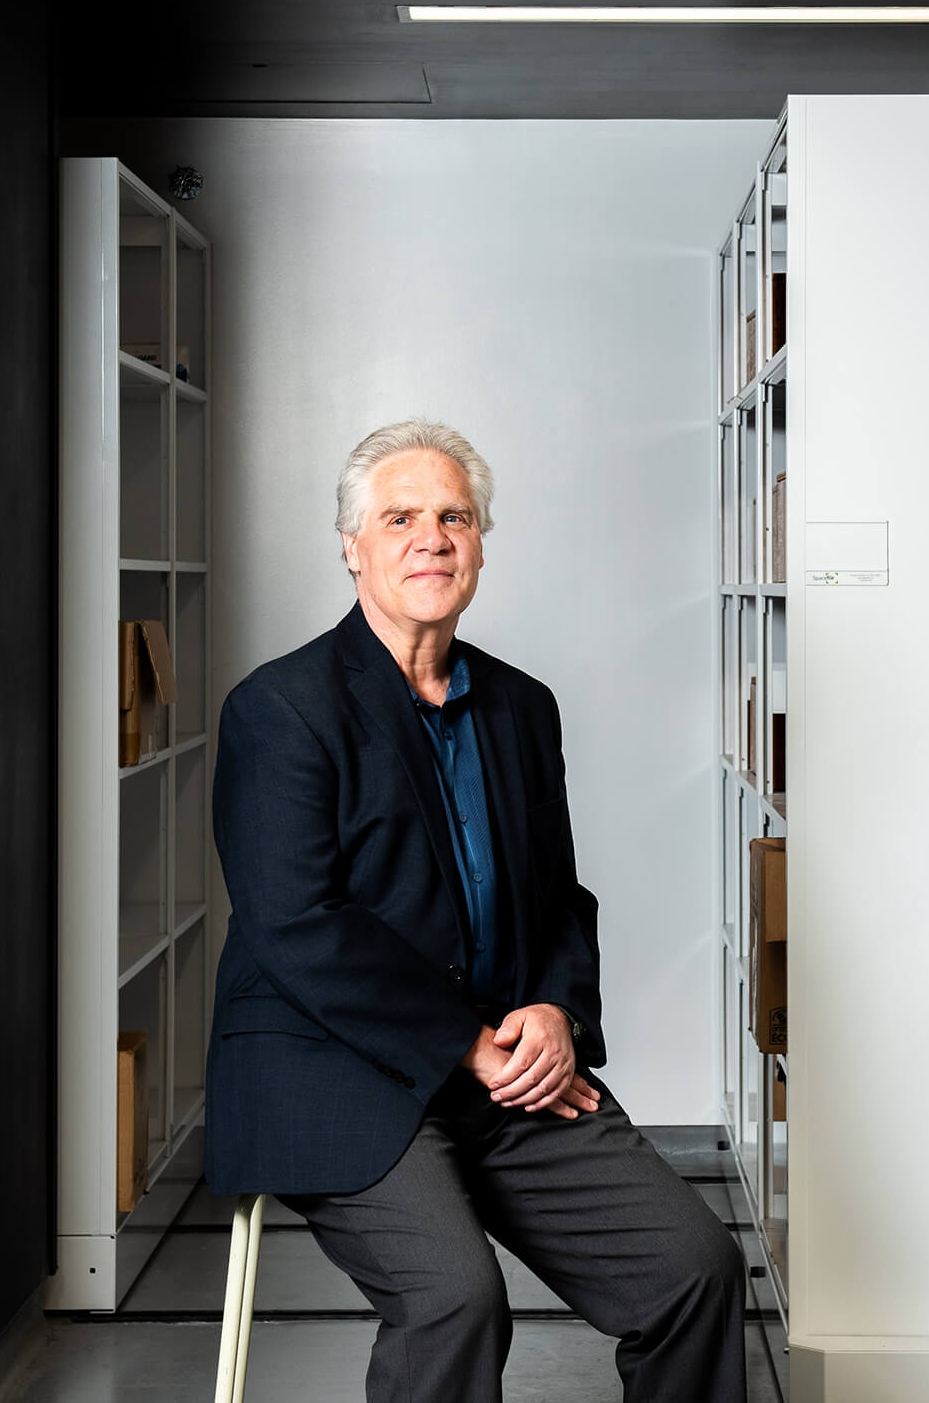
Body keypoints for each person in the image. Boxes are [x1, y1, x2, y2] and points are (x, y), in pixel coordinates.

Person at [206, 419, 748, 1403]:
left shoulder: (520, 707)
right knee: (456, 1297)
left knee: (696, 1267)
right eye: (401, 516)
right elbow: (297, 923)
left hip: (506, 1061)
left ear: (482, 542)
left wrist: (556, 1011)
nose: (432, 537)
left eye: (455, 515)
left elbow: (558, 898)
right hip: (336, 1068)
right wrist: (465, 1040)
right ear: (351, 543)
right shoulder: (280, 707)